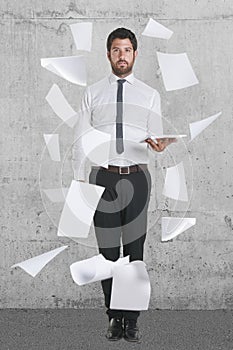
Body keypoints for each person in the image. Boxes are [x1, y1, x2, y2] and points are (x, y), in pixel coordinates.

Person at [72, 27, 175, 343]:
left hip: (136, 177)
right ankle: (113, 316)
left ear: (135, 53)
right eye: (116, 49)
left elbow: (154, 136)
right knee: (106, 254)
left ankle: (130, 320)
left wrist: (159, 146)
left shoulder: (149, 94)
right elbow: (79, 139)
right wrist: (79, 184)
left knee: (133, 252)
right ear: (108, 54)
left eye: (127, 49)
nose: (121, 55)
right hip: (102, 178)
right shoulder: (92, 92)